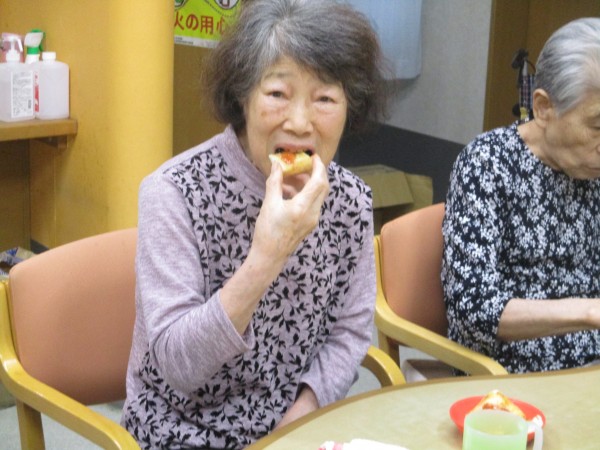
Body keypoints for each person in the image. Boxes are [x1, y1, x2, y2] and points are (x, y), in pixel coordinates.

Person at [121, 1, 389, 448]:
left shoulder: (350, 200)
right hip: (181, 432)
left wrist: (299, 417)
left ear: (350, 107)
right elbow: (179, 365)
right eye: (278, 94)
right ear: (242, 96)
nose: (299, 123)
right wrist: (267, 256)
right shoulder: (174, 193)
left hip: (294, 430)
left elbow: (350, 331)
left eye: (324, 99)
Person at [442, 17, 600, 374]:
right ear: (543, 108)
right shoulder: (488, 164)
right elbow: (473, 310)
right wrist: (589, 311)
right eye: (597, 126)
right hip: (511, 375)